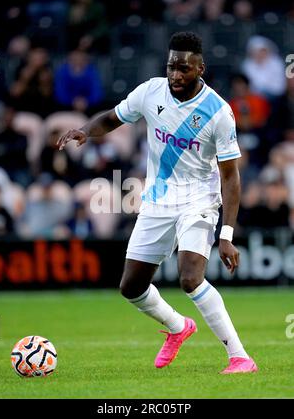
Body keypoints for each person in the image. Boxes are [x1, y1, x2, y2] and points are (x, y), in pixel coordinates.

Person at [57, 31, 258, 374]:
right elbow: (112, 117)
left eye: (184, 68)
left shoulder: (219, 112)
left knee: (190, 278)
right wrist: (85, 131)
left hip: (198, 198)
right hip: (158, 199)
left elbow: (230, 177)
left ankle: (240, 357)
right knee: (131, 287)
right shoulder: (151, 91)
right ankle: (179, 328)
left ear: (201, 69)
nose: (176, 74)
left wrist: (226, 234)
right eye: (171, 67)